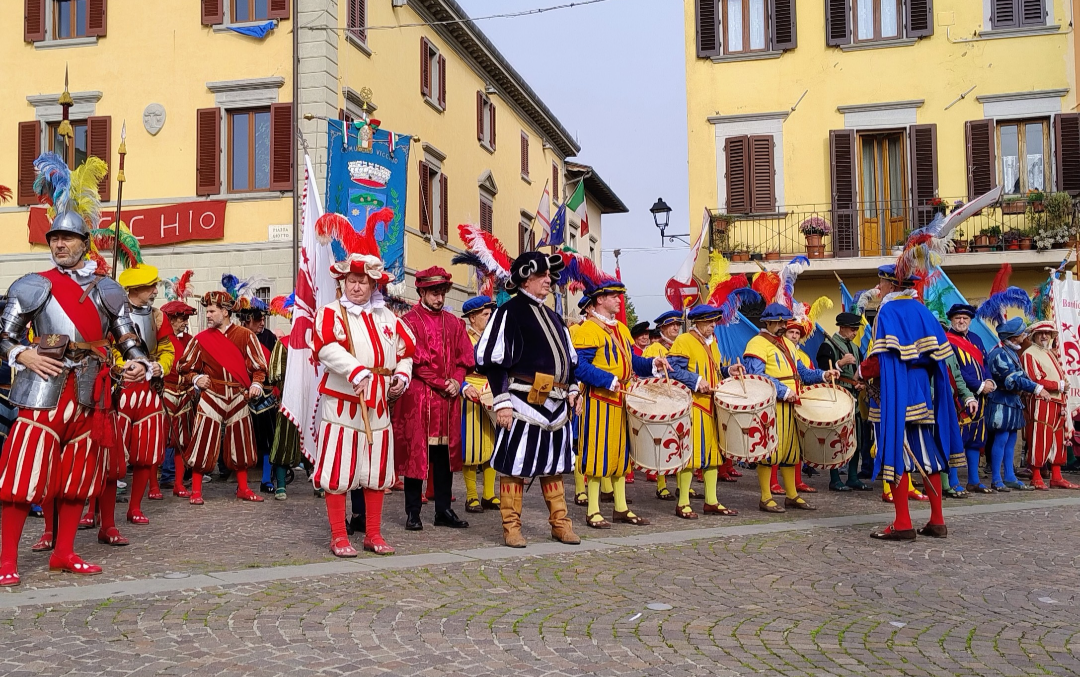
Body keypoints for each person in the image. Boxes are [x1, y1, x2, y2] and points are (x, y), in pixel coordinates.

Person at [0, 192, 148, 585]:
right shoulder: (32, 285)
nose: (59, 244)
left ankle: (64, 552)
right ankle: (6, 561)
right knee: (22, 477)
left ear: (86, 243)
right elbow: (4, 334)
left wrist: (136, 362)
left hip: (91, 391)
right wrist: (21, 354)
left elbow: (128, 337)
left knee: (77, 478)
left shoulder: (109, 288)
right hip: (43, 388)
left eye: (67, 238)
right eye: (54, 239)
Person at [312, 250, 414, 556]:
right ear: (343, 283)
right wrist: (355, 370)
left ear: (373, 286)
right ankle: (339, 536)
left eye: (363, 282)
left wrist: (402, 376)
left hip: (379, 402)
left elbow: (406, 351)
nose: (357, 287)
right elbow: (325, 347)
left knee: (376, 470)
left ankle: (373, 533)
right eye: (352, 281)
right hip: (343, 402)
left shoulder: (387, 317)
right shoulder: (331, 313)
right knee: (339, 470)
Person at [475, 251, 580, 548]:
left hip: (557, 403)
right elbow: (492, 361)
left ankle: (560, 524)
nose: (549, 281)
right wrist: (502, 400)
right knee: (514, 465)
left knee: (553, 466)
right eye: (542, 276)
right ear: (525, 278)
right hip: (522, 402)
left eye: (549, 275)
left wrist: (573, 389)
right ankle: (511, 527)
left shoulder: (554, 316)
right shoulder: (509, 311)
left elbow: (570, 363)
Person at [863, 265, 969, 540]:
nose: (878, 288)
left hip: (895, 393)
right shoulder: (922, 310)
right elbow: (938, 356)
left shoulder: (888, 311)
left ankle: (902, 523)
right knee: (927, 456)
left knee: (895, 455)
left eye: (881, 284)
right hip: (923, 394)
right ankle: (937, 520)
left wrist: (862, 371)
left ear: (890, 284)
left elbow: (882, 357)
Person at [573, 281, 667, 528]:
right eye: (614, 296)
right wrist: (607, 379)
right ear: (599, 299)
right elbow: (579, 366)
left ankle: (621, 507)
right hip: (600, 400)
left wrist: (652, 365)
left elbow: (633, 361)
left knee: (621, 456)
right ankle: (593, 509)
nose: (619, 299)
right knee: (596, 454)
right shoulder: (587, 330)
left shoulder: (622, 330)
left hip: (622, 399)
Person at [392, 267, 473, 531]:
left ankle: (443, 510)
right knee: (418, 456)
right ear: (422, 292)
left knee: (443, 457)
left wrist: (457, 381)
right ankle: (413, 512)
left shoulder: (454, 323)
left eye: (442, 293)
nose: (439, 298)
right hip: (420, 399)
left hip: (448, 403)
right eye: (434, 293)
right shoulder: (410, 322)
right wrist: (443, 383)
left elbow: (464, 359)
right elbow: (414, 362)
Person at [176, 291, 269, 505]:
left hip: (238, 394)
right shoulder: (201, 339)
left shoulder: (245, 335)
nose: (207, 315)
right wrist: (196, 378)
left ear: (225, 312)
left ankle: (243, 488)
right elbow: (184, 367)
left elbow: (258, 365)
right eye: (207, 311)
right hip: (212, 394)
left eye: (211, 311)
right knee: (203, 439)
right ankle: (197, 490)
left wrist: (256, 383)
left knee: (242, 441)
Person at [744, 303, 838, 512]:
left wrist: (823, 375)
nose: (782, 325)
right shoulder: (756, 344)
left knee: (791, 452)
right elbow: (757, 376)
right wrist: (783, 391)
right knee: (770, 451)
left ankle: (792, 495)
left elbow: (803, 372)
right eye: (778, 322)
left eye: (784, 321)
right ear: (767, 322)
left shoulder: (787, 343)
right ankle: (766, 497)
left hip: (792, 405)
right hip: (771, 405)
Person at [110, 264, 175, 529]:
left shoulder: (159, 317)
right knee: (110, 455)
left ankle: (134, 507)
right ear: (136, 288)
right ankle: (95, 511)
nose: (155, 291)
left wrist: (161, 366)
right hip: (120, 389)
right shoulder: (113, 313)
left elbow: (167, 349)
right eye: (151, 286)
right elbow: (109, 347)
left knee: (145, 454)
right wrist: (120, 365)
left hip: (149, 390)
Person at [666, 304, 744, 518]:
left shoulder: (713, 343)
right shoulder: (684, 341)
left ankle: (711, 501)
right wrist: (696, 380)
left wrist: (729, 371)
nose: (713, 325)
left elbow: (714, 370)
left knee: (713, 456)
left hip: (712, 405)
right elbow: (673, 371)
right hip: (693, 406)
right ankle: (683, 503)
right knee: (690, 456)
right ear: (697, 322)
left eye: (714, 322)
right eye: (709, 322)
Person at [985, 317, 1049, 492]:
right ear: (1014, 337)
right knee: (1001, 438)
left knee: (1011, 439)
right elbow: (1012, 379)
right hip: (1001, 401)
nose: (1025, 337)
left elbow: (1021, 377)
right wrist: (1037, 388)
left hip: (1012, 402)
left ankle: (1010, 477)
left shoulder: (1010, 351)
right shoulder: (998, 354)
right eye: (1022, 334)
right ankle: (997, 478)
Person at [816, 312, 872, 492]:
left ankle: (853, 477)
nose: (855, 332)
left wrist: (861, 383)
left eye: (857, 329)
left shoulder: (855, 348)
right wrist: (840, 363)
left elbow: (861, 370)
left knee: (856, 437)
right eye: (852, 329)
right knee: (836, 438)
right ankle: (834, 479)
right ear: (842, 327)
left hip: (854, 398)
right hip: (837, 397)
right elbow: (823, 372)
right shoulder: (827, 346)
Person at [944, 304, 995, 495]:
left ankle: (973, 480)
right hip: (959, 398)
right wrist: (979, 386)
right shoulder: (947, 340)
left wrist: (988, 380)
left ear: (970, 320)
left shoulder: (976, 339)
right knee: (956, 438)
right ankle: (953, 480)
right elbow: (956, 371)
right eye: (957, 318)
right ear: (951, 320)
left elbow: (984, 364)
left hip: (980, 398)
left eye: (965, 318)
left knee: (976, 439)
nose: (961, 321)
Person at [1022, 321, 1078, 490]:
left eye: (1047, 333)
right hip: (1041, 401)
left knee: (1058, 439)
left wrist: (1063, 385)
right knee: (1040, 437)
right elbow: (1033, 380)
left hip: (1058, 401)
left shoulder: (1050, 353)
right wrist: (1058, 385)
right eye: (1041, 333)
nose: (1045, 336)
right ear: (1034, 336)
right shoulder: (1029, 353)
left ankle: (1057, 476)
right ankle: (1036, 476)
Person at [460, 295, 500, 514]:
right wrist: (465, 386)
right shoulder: (464, 339)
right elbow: (457, 368)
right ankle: (471, 496)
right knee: (471, 447)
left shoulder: (493, 339)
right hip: (471, 395)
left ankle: (489, 494)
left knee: (491, 444)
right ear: (472, 317)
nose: (489, 317)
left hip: (491, 392)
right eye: (485, 314)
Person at [238, 304, 279, 494]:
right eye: (258, 320)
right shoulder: (237, 337)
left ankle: (265, 479)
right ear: (247, 321)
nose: (262, 323)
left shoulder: (270, 337)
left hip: (265, 396)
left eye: (263, 319)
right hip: (241, 394)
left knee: (267, 440)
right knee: (241, 440)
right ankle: (241, 482)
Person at [642, 310, 683, 496]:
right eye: (671, 325)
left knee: (681, 443)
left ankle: (683, 486)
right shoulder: (654, 349)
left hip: (679, 401)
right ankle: (661, 485)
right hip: (660, 401)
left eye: (678, 324)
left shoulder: (682, 346)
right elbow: (645, 377)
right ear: (662, 328)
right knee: (662, 442)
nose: (675, 328)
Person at [159, 300, 197, 497]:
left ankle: (178, 483)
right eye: (182, 318)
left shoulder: (189, 340)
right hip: (165, 391)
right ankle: (155, 486)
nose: (185, 322)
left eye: (186, 319)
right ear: (171, 319)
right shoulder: (161, 339)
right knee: (159, 440)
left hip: (185, 393)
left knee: (182, 441)